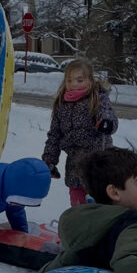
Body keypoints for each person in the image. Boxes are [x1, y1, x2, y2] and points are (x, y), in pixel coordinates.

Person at [42, 58, 118, 206]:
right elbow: (55, 135)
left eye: (79, 80)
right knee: (77, 201)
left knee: (97, 200)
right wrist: (49, 160)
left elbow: (107, 113)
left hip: (97, 160)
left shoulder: (98, 98)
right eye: (69, 80)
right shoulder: (61, 104)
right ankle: (79, 224)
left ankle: (101, 225)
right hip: (74, 163)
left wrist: (106, 123)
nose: (73, 84)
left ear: (90, 80)